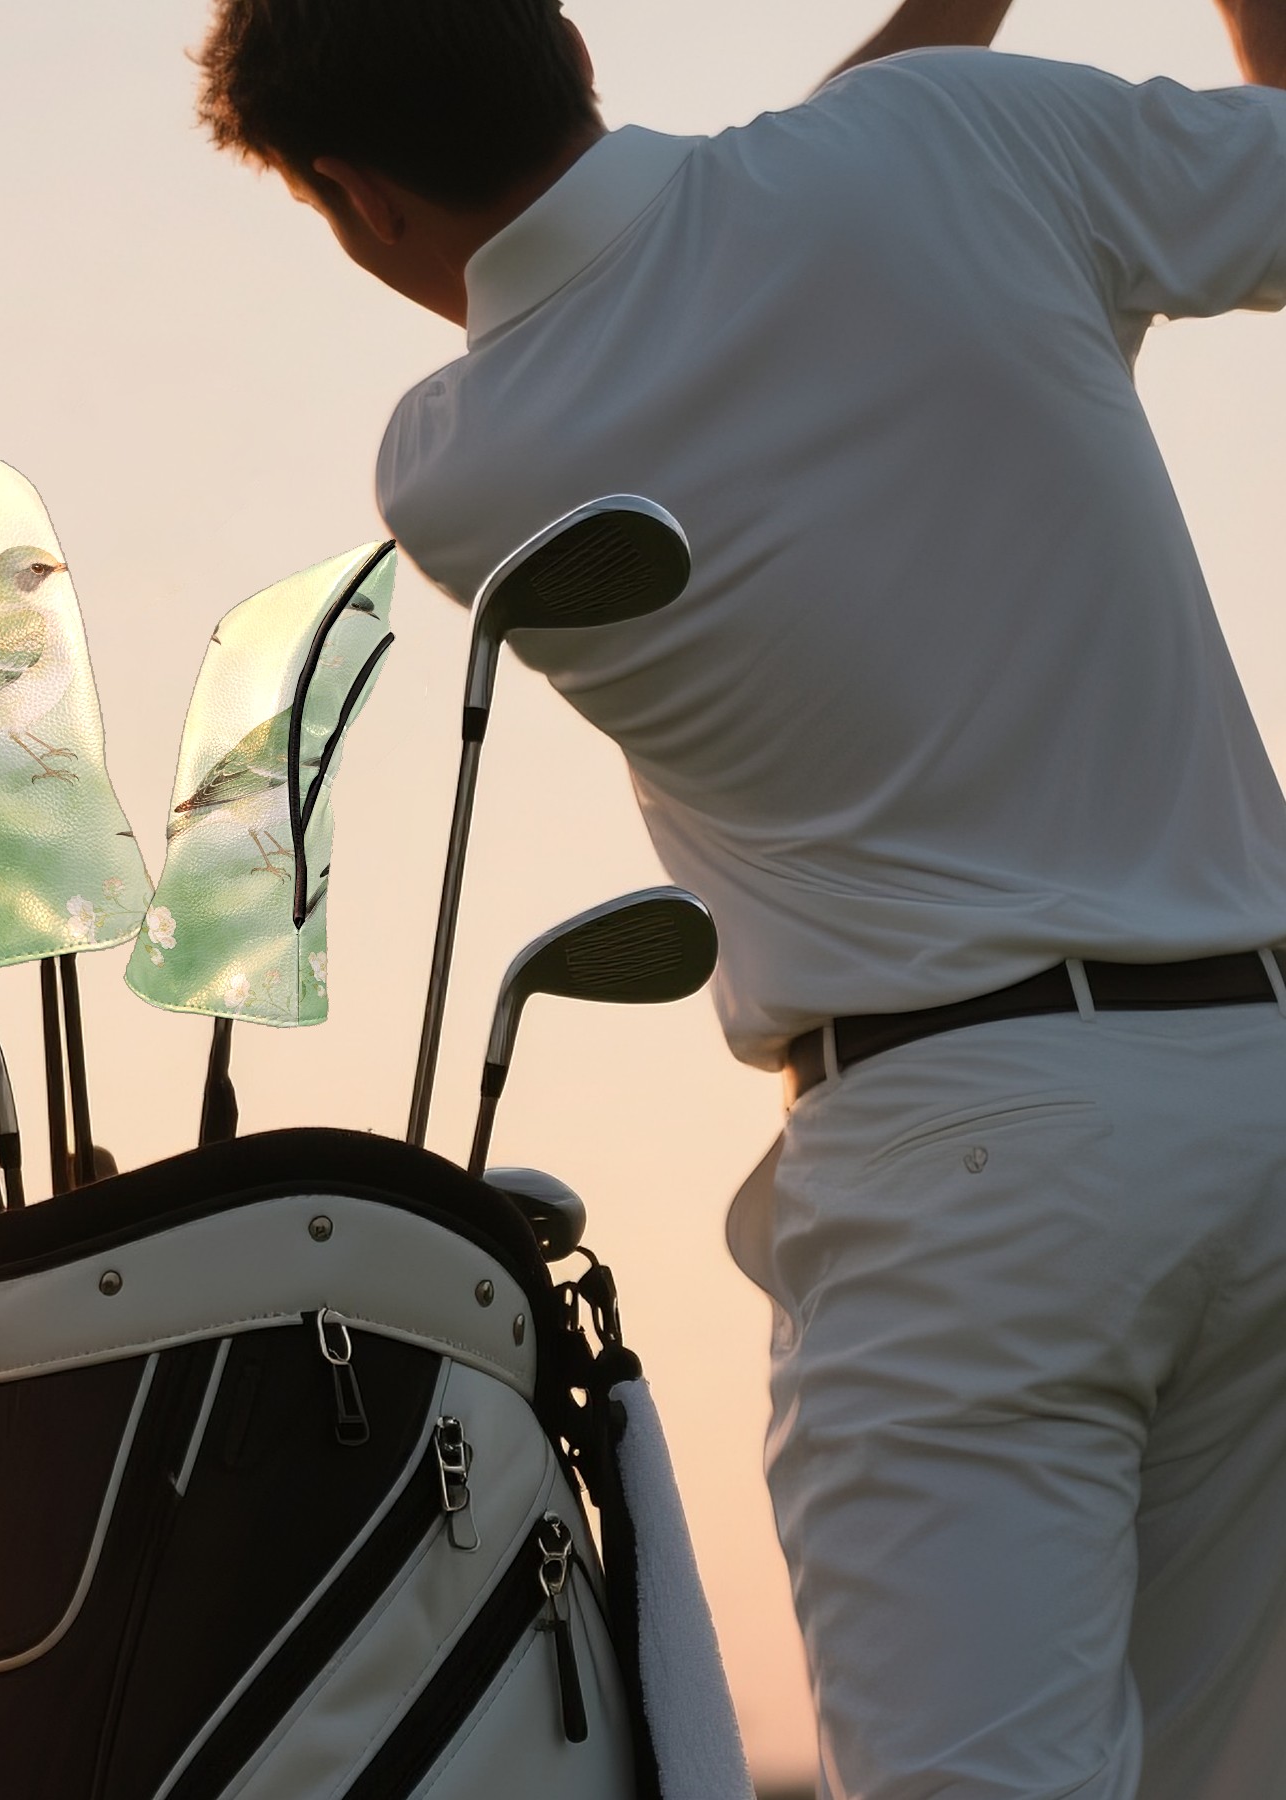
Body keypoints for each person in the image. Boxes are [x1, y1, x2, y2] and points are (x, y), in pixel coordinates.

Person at [193, 2, 1286, 1795]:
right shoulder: (960, 142)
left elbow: (745, 234)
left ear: (359, 197)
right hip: (1258, 1096)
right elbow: (802, 195)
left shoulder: (460, 464)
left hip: (963, 1178)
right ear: (568, 44)